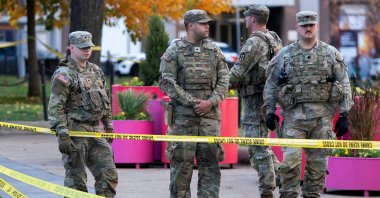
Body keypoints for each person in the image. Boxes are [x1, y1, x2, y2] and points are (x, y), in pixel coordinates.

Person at [263, 11, 353, 198]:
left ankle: (311, 194)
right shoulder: (285, 55)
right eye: (304, 25)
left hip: (322, 119)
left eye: (311, 24)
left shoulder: (330, 53)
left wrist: (345, 114)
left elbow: (344, 82)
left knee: (318, 167)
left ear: (317, 26)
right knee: (290, 164)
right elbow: (271, 84)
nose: (308, 28)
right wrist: (270, 112)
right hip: (293, 119)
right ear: (297, 28)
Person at [159, 9, 229, 198]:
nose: (207, 26)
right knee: (181, 168)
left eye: (207, 23)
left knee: (210, 169)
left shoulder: (214, 50)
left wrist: (210, 102)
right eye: (202, 23)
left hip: (210, 119)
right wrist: (192, 102)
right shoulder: (174, 50)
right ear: (190, 25)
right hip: (183, 120)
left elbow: (225, 80)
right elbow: (166, 82)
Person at [48, 31, 118, 197]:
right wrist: (63, 133)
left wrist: (108, 125)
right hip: (75, 132)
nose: (87, 50)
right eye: (82, 47)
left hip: (95, 132)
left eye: (89, 47)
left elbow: (105, 100)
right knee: (76, 182)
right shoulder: (64, 74)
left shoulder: (96, 71)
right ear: (71, 48)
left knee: (108, 175)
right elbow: (56, 106)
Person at [229, 4, 282, 198]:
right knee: (261, 145)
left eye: (246, 17)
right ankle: (285, 176)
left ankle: (267, 189)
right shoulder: (274, 38)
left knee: (257, 147)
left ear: (252, 19)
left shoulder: (253, 43)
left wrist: (215, 90)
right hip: (269, 99)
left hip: (254, 101)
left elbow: (236, 74)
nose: (244, 20)